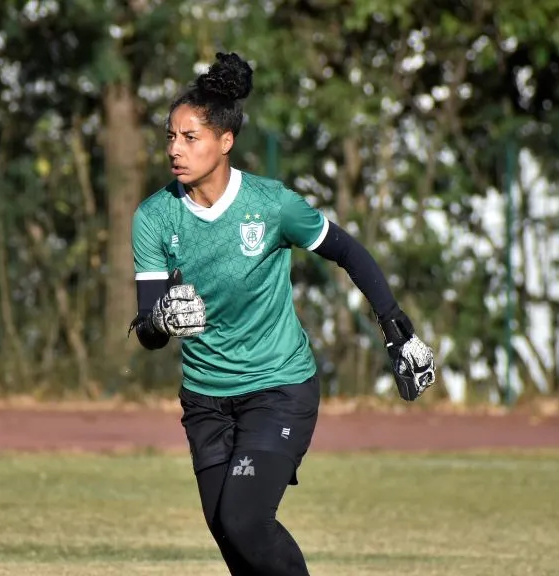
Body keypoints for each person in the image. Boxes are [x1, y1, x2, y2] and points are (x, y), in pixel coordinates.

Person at [127, 51, 436, 576]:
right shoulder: (154, 217)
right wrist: (159, 320)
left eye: (190, 137)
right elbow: (150, 332)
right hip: (205, 399)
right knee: (232, 536)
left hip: (278, 387)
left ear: (225, 142)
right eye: (171, 136)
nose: (175, 149)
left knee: (245, 520)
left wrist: (396, 329)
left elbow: (349, 252)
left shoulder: (272, 206)